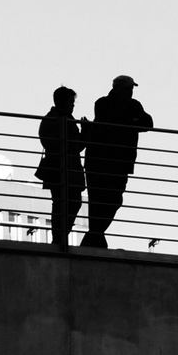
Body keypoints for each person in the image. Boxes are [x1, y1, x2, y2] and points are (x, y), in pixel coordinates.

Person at [80, 75, 153, 249]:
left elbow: (148, 123)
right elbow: (114, 122)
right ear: (120, 88)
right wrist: (131, 121)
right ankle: (95, 238)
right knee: (99, 201)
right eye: (129, 88)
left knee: (112, 200)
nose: (131, 92)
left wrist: (126, 121)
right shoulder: (103, 103)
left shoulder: (133, 104)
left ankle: (94, 238)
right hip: (100, 161)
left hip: (119, 162)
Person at [34, 86, 86, 248]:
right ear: (63, 102)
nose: (73, 105)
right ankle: (59, 237)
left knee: (64, 203)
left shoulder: (58, 119)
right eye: (71, 101)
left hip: (62, 168)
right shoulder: (58, 119)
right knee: (64, 203)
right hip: (62, 169)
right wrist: (83, 133)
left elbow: (74, 145)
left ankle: (60, 237)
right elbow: (74, 145)